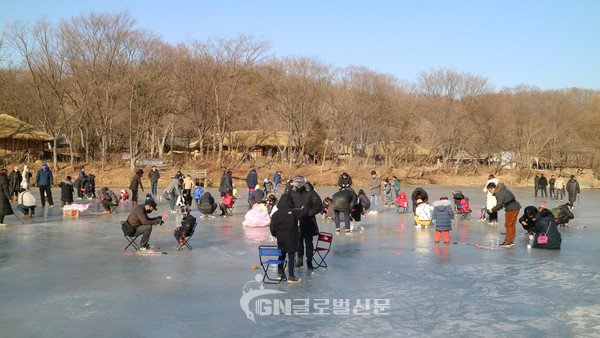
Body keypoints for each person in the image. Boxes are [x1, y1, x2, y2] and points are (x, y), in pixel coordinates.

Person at [270, 194, 306, 283]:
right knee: (291, 256)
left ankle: (280, 274)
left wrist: (276, 235)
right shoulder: (293, 212)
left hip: (281, 239)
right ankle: (291, 276)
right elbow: (304, 212)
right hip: (291, 238)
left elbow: (272, 228)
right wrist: (305, 207)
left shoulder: (275, 214)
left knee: (281, 256)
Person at [289, 175, 322, 269]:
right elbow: (288, 204)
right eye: (297, 185)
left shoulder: (311, 192)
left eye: (300, 185)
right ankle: (300, 260)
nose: (299, 187)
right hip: (296, 221)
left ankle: (309, 261)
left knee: (308, 243)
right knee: (298, 243)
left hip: (308, 221)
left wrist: (308, 213)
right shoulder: (292, 192)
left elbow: (318, 206)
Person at [487, 181, 521, 247]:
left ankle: (508, 241)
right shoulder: (503, 190)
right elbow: (505, 202)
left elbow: (499, 204)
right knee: (512, 225)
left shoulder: (499, 192)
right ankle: (511, 241)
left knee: (508, 225)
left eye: (490, 190)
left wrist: (492, 210)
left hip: (511, 209)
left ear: (493, 188)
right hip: (516, 207)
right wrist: (498, 208)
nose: (490, 192)